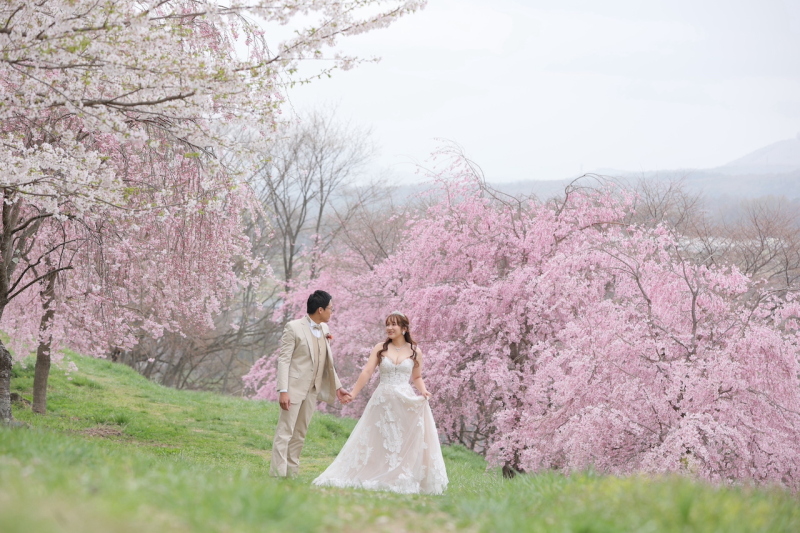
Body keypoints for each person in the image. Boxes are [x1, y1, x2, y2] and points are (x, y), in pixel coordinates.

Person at [312, 311, 448, 494]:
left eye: (394, 324)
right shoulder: (380, 348)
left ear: (404, 328)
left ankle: (401, 476)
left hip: (404, 401)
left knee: (402, 441)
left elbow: (417, 377)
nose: (389, 328)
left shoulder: (415, 351)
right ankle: (376, 473)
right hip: (383, 401)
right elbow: (367, 371)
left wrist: (423, 390)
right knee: (378, 440)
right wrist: (353, 393)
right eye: (387, 325)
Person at [270, 290, 352, 478]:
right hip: (293, 389)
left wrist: (338, 387)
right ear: (320, 310)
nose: (332, 312)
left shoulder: (324, 329)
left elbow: (327, 363)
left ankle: (291, 474)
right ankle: (277, 474)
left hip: (312, 390)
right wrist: (283, 390)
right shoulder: (293, 327)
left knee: (300, 434)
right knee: (285, 432)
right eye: (331, 308)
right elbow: (284, 360)